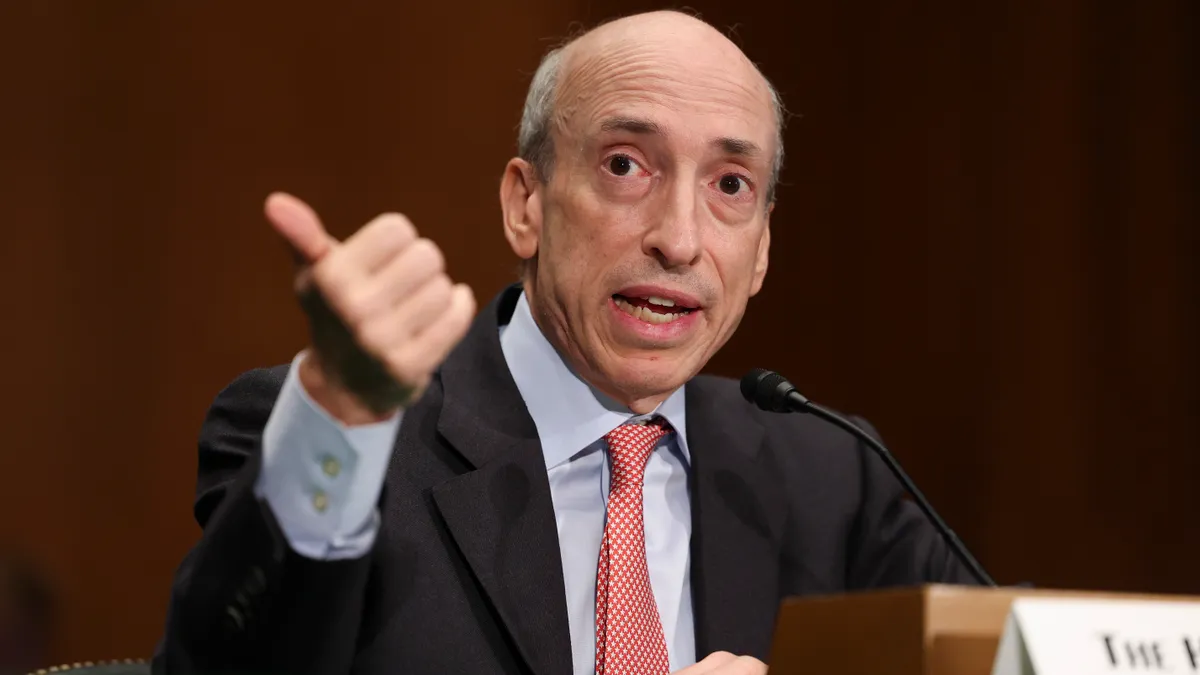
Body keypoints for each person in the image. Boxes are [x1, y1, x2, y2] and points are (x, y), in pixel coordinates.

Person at [155, 10, 975, 675]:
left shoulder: (827, 473)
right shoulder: (349, 444)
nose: (681, 240)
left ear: (761, 249)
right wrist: (340, 415)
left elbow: (1013, 645)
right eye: (627, 165)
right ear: (526, 204)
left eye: (731, 185)